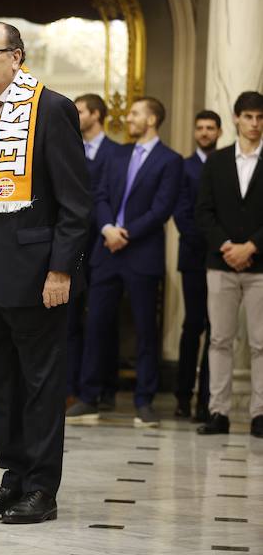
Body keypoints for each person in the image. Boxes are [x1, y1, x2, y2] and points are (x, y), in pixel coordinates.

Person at [0, 22, 91, 523]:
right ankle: (13, 478)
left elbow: (76, 203)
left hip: (34, 273)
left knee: (41, 384)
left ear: (18, 56)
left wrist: (61, 271)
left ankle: (41, 488)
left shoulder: (50, 108)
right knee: (0, 384)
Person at [68, 97, 183, 427]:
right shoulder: (117, 155)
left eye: (134, 114)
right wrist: (106, 229)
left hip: (141, 254)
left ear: (151, 120)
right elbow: (99, 195)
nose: (128, 118)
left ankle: (144, 402)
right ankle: (88, 398)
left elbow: (161, 210)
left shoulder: (169, 160)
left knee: (146, 330)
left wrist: (125, 233)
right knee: (96, 326)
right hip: (106, 252)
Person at [195, 91, 263, 439]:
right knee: (220, 339)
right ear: (236, 119)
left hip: (260, 266)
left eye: (259, 118)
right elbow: (203, 211)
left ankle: (260, 414)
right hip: (220, 263)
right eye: (248, 117)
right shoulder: (217, 161)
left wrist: (251, 245)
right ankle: (218, 412)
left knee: (260, 343)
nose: (254, 124)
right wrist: (227, 247)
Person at [68, 93, 121, 409]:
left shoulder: (117, 153)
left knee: (103, 321)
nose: (75, 115)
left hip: (105, 246)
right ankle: (72, 388)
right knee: (70, 320)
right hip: (73, 246)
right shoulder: (70, 147)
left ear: (97, 114)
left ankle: (104, 388)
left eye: (80, 111)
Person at [173, 110, 221, 421]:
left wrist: (220, 244)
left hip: (221, 258)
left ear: (219, 131)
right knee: (193, 326)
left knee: (217, 330)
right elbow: (182, 213)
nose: (204, 133)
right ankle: (182, 397)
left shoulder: (225, 164)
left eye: (210, 128)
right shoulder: (185, 166)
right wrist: (208, 240)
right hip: (192, 257)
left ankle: (207, 400)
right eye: (199, 127)